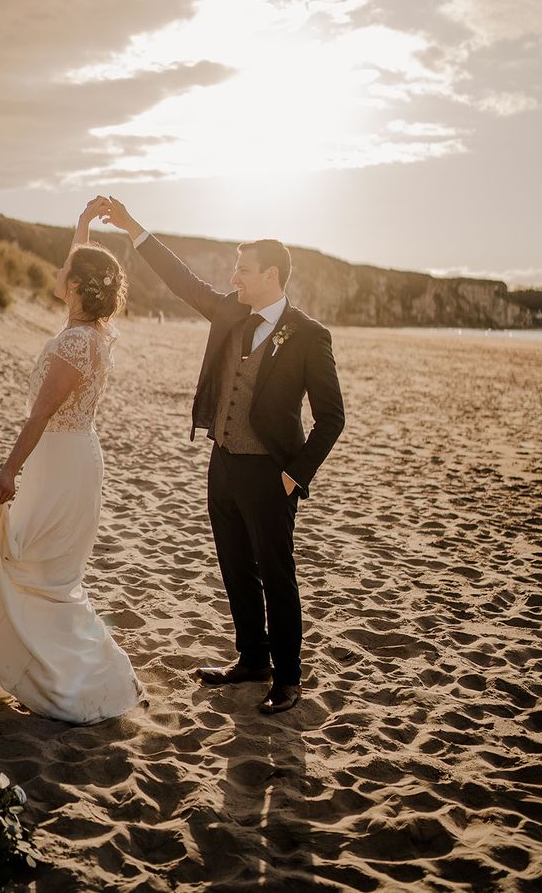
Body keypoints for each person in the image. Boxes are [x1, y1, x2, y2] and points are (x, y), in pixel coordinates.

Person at [101, 196, 345, 715]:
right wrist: (131, 227)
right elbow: (181, 279)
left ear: (271, 275)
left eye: (244, 269)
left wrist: (294, 477)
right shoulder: (232, 311)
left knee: (277, 574)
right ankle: (252, 660)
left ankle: (289, 677)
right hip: (224, 463)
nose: (235, 277)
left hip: (271, 472)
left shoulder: (309, 336)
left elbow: (332, 418)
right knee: (235, 566)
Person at [0, 198, 142, 724]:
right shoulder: (94, 333)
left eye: (66, 272)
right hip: (78, 457)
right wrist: (82, 227)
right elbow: (79, 266)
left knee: (30, 567)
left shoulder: (75, 344)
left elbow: (37, 417)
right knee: (47, 572)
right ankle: (82, 670)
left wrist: (9, 470)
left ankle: (69, 680)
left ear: (77, 287)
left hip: (56, 463)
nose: (59, 272)